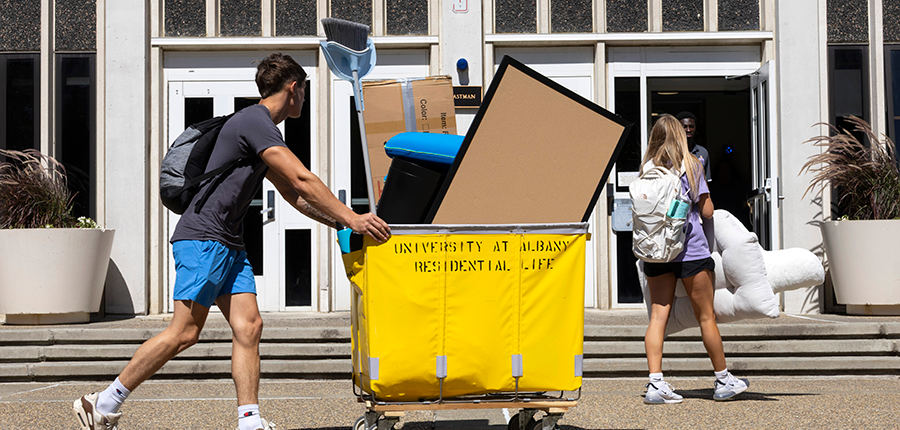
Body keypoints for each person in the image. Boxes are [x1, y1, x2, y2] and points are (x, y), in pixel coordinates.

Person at [73, 53, 391, 430]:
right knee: (185, 332)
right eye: (304, 91)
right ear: (293, 88)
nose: (304, 99)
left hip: (230, 243)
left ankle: (250, 420)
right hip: (205, 238)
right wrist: (352, 215)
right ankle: (103, 402)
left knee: (249, 326)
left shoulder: (261, 128)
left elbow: (295, 196)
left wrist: (339, 224)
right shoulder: (254, 122)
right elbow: (303, 178)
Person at [639, 114, 748, 404]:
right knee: (706, 316)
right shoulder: (692, 165)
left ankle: (655, 384)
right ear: (679, 135)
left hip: (657, 252)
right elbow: (708, 211)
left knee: (658, 316)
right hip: (690, 251)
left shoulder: (647, 168)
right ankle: (724, 380)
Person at [676, 111, 712, 182]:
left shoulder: (703, 152)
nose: (688, 130)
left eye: (691, 127)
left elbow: (706, 181)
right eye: (684, 127)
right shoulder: (671, 152)